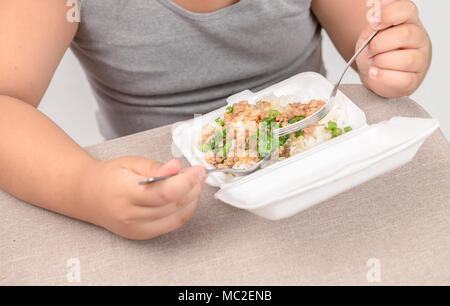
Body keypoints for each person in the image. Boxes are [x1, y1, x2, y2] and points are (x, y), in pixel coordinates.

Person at [0, 0, 431, 240]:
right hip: (161, 198)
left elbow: (374, 39)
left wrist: (393, 54)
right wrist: (85, 187)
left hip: (315, 166)